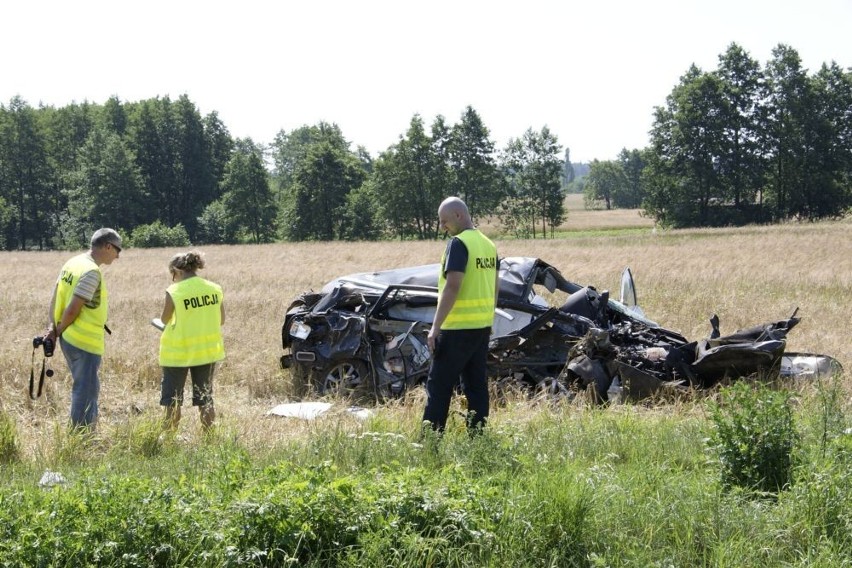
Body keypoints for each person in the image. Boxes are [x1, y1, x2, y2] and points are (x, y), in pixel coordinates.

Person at [422, 197, 499, 434]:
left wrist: (435, 327)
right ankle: (478, 438)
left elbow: (453, 285)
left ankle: (430, 442)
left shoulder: (459, 243)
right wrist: (489, 320)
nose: (442, 227)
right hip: (481, 327)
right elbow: (495, 286)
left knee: (439, 386)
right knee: (476, 386)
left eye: (444, 221)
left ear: (458, 216)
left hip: (456, 329)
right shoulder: (488, 245)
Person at [45, 228, 122, 430]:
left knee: (85, 386)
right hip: (84, 341)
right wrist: (57, 330)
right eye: (117, 250)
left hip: (69, 338)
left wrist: (53, 329)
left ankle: (81, 436)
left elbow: (55, 297)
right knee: (86, 390)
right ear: (107, 246)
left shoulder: (73, 263)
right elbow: (72, 309)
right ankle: (82, 439)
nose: (118, 256)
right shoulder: (90, 271)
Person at [158, 250, 225, 432]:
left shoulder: (175, 291)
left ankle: (169, 440)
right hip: (207, 353)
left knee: (173, 400)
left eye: (173, 275)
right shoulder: (214, 288)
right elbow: (221, 320)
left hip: (178, 354)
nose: (173, 279)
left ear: (177, 271)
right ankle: (210, 438)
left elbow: (164, 320)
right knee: (205, 398)